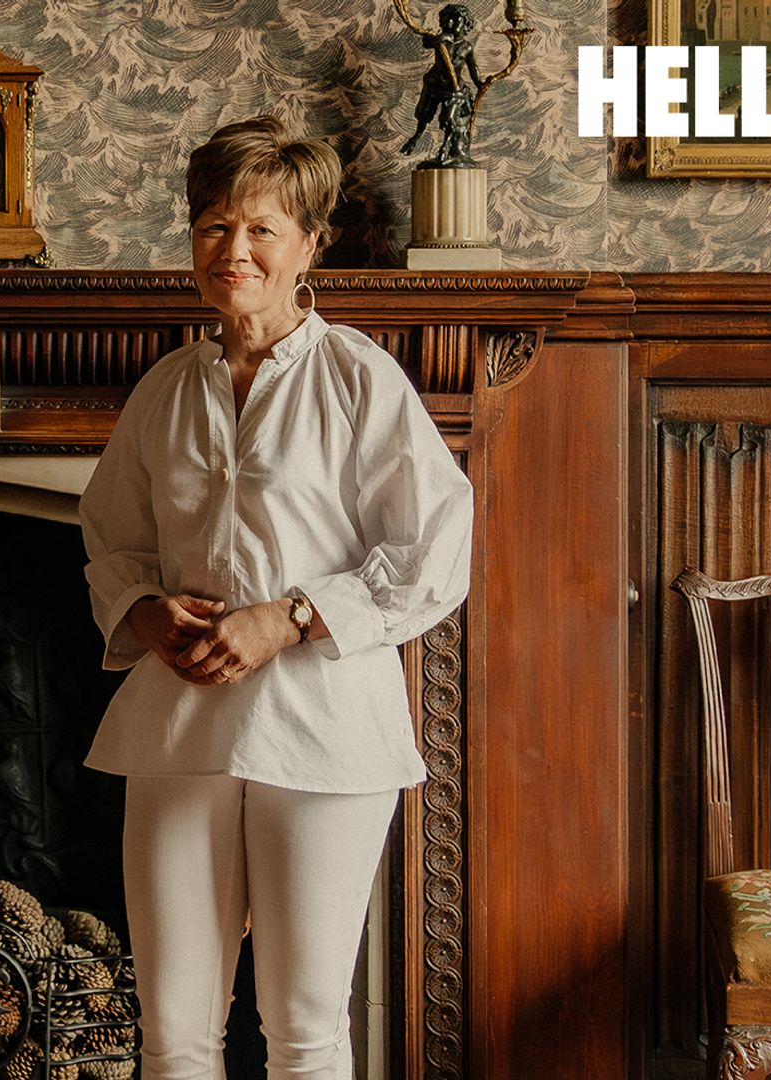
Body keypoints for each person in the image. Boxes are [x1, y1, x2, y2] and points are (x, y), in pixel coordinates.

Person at [79, 116, 473, 1079]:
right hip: (178, 723)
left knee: (303, 1028)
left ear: (309, 246)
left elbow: (434, 548)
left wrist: (289, 615)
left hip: (325, 729)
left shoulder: (357, 379)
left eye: (262, 229)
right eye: (214, 227)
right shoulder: (165, 391)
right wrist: (141, 611)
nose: (236, 252)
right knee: (172, 1030)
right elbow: (112, 537)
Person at [399, 3, 479, 162]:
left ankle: (446, 147)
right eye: (447, 20)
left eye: (456, 20)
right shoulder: (442, 40)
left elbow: (473, 67)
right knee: (424, 113)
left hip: (454, 88)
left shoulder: (466, 47)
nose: (450, 24)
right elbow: (427, 42)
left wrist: (480, 83)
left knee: (448, 119)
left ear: (466, 24)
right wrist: (441, 38)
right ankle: (415, 137)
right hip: (434, 84)